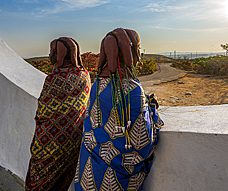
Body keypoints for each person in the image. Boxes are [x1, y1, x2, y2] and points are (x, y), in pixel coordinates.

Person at [74, 28, 163, 191]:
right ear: (131, 51)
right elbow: (143, 143)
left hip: (89, 178)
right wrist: (153, 112)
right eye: (138, 49)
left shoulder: (96, 86)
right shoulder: (133, 90)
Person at [25, 37, 91, 191]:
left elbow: (43, 111)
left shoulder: (54, 79)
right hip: (73, 141)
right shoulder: (85, 75)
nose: (49, 56)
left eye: (52, 52)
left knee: (38, 183)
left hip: (49, 143)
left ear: (59, 55)